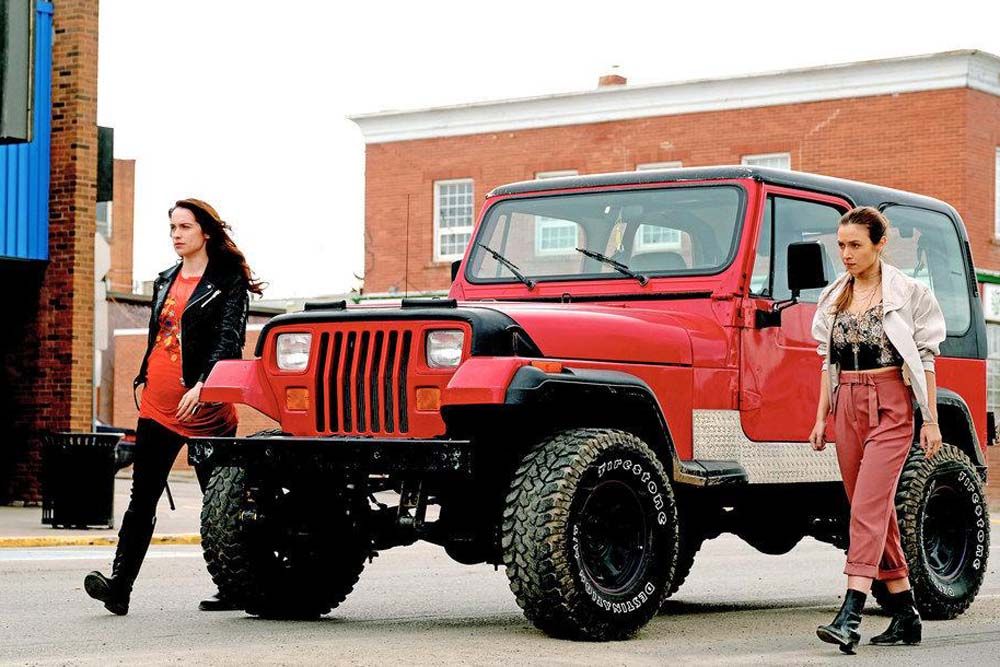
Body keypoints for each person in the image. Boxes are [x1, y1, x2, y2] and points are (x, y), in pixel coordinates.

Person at [84, 198, 264, 615]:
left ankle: (237, 584)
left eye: (184, 227)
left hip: (205, 410)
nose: (176, 235)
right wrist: (146, 374)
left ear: (205, 231)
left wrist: (203, 385)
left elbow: (229, 341)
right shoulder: (165, 279)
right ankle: (119, 587)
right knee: (141, 499)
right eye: (172, 228)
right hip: (157, 406)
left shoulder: (227, 280)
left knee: (220, 505)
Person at [809, 206, 946, 654]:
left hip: (891, 404)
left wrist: (931, 420)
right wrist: (820, 417)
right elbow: (826, 362)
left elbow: (925, 359)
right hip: (846, 402)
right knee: (874, 510)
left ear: (879, 244)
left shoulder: (909, 293)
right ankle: (905, 613)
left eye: (855, 245)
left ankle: (850, 612)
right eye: (841, 245)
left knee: (866, 507)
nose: (845, 254)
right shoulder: (834, 296)